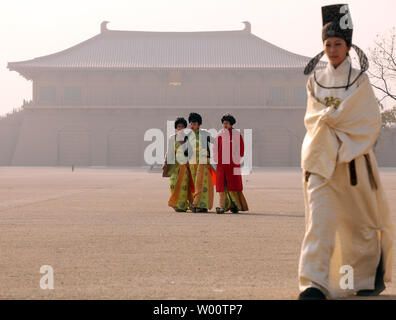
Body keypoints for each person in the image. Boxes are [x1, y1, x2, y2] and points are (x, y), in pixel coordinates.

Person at [298, 4, 393, 300]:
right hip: (320, 159)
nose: (332, 49)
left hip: (353, 161)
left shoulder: (360, 81)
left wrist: (334, 123)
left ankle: (362, 280)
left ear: (348, 46)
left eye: (338, 44)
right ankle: (313, 284)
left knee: (358, 224)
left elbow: (367, 120)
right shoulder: (314, 82)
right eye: (328, 44)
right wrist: (334, 120)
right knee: (319, 222)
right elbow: (313, 119)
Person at [213, 113, 248, 214]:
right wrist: (216, 158)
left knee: (233, 187)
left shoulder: (237, 134)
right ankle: (222, 207)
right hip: (221, 165)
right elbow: (215, 148)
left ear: (231, 124)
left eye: (227, 123)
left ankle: (236, 206)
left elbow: (241, 148)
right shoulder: (220, 135)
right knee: (222, 187)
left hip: (232, 165)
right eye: (224, 123)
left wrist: (237, 158)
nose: (225, 125)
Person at [185, 112, 216, 213]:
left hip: (203, 159)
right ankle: (202, 206)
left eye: (194, 124)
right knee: (199, 182)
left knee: (200, 181)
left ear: (199, 124)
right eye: (191, 124)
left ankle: (195, 204)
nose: (192, 126)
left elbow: (215, 141)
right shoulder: (188, 135)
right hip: (192, 161)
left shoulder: (204, 133)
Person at [165, 117, 193, 212]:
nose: (180, 128)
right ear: (176, 128)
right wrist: (166, 164)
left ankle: (182, 205)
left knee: (183, 185)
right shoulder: (172, 138)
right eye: (178, 126)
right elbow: (169, 152)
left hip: (184, 166)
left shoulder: (188, 138)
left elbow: (191, 152)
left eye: (182, 126)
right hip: (174, 166)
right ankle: (175, 203)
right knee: (173, 184)